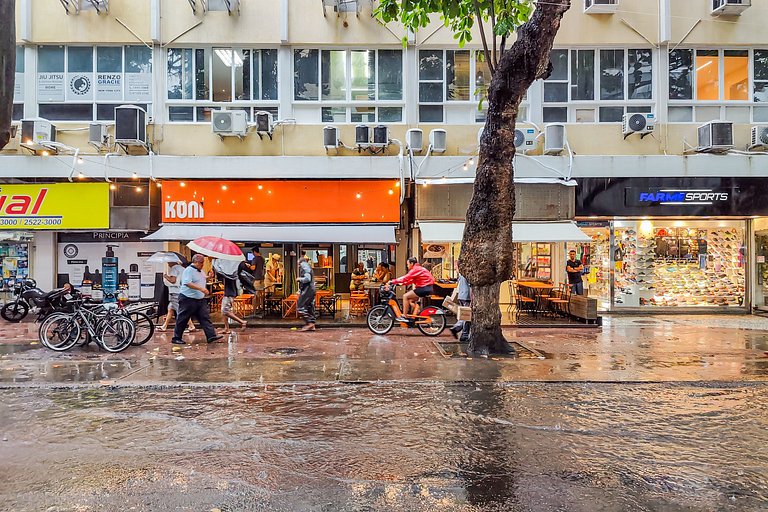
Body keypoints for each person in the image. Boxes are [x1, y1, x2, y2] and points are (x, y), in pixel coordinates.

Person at [171, 254, 223, 345]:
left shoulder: (200, 271)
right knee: (183, 318)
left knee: (205, 318)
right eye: (201, 262)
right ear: (195, 262)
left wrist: (209, 277)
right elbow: (187, 283)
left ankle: (211, 336)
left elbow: (201, 279)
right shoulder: (189, 270)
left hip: (199, 299)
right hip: (188, 299)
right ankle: (176, 337)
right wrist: (201, 289)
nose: (202, 264)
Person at [387, 257, 435, 321]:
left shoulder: (415, 270)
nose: (407, 266)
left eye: (407, 264)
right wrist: (399, 284)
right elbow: (410, 281)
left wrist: (393, 281)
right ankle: (417, 312)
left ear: (412, 263)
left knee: (405, 296)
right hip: (427, 287)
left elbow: (405, 278)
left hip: (424, 288)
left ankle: (404, 316)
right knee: (410, 300)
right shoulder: (418, 268)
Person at [158, 261, 195, 333]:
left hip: (175, 292)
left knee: (180, 311)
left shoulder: (174, 269)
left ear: (172, 262)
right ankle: (164, 326)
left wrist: (165, 276)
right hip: (180, 291)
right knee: (170, 309)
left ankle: (191, 325)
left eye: (169, 262)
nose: (168, 263)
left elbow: (173, 280)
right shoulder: (183, 269)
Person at [214, 260, 248, 334]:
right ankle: (226, 328)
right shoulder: (232, 271)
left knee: (225, 311)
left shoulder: (229, 273)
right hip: (229, 292)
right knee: (224, 311)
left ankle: (242, 322)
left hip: (230, 293)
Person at [296, 251, 316, 331]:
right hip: (310, 289)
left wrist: (299, 279)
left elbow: (307, 278)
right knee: (309, 306)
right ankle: (312, 324)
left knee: (300, 306)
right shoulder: (306, 265)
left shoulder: (304, 265)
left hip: (307, 289)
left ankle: (309, 323)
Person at [450, 272, 471, 341]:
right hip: (467, 297)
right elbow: (470, 287)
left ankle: (457, 328)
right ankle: (464, 334)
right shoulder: (469, 274)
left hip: (461, 296)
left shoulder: (461, 274)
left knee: (463, 315)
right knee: (467, 316)